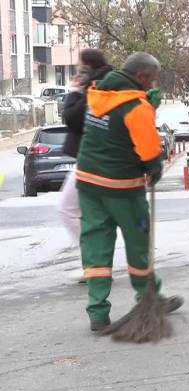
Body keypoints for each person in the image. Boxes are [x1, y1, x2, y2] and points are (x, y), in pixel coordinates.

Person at [76, 52, 181, 331]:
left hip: (87, 183)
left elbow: (115, 130)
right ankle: (150, 298)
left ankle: (97, 312)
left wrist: (147, 106)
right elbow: (147, 149)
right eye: (150, 81)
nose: (150, 86)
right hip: (122, 187)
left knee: (96, 246)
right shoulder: (136, 106)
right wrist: (155, 166)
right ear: (140, 77)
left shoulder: (97, 94)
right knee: (138, 245)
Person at [58, 49, 113, 248]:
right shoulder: (99, 84)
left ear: (88, 66)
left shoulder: (95, 88)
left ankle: (93, 257)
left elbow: (72, 119)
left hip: (91, 158)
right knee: (87, 212)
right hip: (95, 157)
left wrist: (74, 91)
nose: (77, 69)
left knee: (67, 208)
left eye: (79, 65)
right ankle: (93, 259)